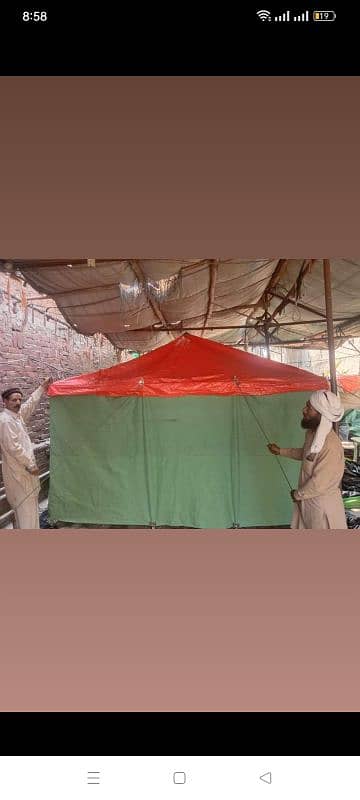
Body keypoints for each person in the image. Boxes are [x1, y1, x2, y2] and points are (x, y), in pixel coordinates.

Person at [267, 390, 347, 529]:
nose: (304, 410)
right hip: (308, 503)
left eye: (309, 408)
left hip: (323, 509)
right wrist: (280, 451)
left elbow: (319, 483)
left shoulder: (331, 445)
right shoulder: (313, 434)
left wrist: (298, 494)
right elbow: (306, 455)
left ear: (321, 413)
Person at [0, 379, 51, 529]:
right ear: (5, 401)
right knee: (26, 513)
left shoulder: (17, 416)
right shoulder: (5, 421)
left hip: (24, 473)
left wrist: (42, 388)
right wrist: (30, 466)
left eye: (19, 399)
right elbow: (14, 448)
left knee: (26, 512)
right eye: (13, 400)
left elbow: (30, 405)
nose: (17, 402)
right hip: (19, 475)